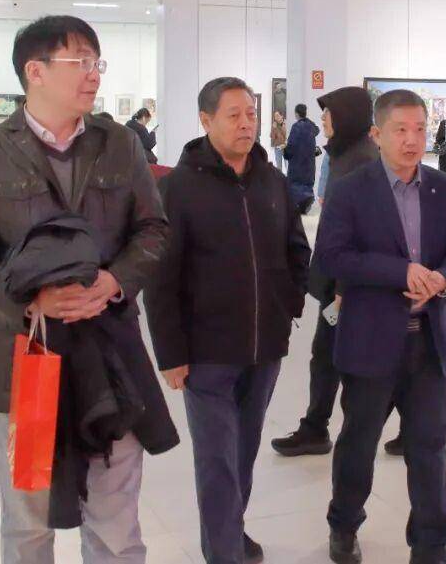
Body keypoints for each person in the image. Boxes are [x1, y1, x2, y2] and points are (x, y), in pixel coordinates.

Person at [0, 15, 178, 564]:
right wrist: (28, 299)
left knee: (116, 527)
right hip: (27, 360)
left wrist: (116, 281)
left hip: (111, 355)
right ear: (36, 71)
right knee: (28, 523)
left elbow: (154, 229)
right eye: (81, 62)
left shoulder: (119, 143)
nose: (94, 74)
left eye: (97, 62)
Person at [145, 76, 310, 564]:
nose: (245, 124)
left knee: (243, 452)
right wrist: (170, 353)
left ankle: (232, 530)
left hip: (265, 347)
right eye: (233, 115)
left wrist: (288, 303)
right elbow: (161, 276)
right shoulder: (178, 188)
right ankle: (224, 552)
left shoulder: (272, 181)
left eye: (251, 114)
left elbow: (296, 249)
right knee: (217, 458)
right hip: (207, 352)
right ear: (206, 120)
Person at [317, 89, 446, 564]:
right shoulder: (351, 189)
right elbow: (332, 257)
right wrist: (399, 272)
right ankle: (344, 523)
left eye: (420, 129)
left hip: (427, 342)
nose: (411, 140)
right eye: (400, 130)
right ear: (377, 134)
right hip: (370, 342)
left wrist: (444, 279)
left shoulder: (443, 188)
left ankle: (431, 544)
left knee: (430, 446)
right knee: (359, 443)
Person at [272, 86, 402, 458]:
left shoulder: (361, 161)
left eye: (328, 113)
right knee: (330, 356)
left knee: (339, 357)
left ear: (346, 116)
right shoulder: (346, 155)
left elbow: (365, 230)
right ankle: (317, 426)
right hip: (341, 279)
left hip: (350, 284)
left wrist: (344, 287)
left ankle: (321, 428)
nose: (323, 119)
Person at [285, 102, 320, 214]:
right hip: (309, 164)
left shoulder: (296, 127)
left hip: (297, 163)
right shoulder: (311, 127)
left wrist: (286, 153)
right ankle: (307, 199)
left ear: (296, 114)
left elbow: (291, 146)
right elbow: (317, 130)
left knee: (296, 184)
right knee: (307, 183)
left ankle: (299, 204)